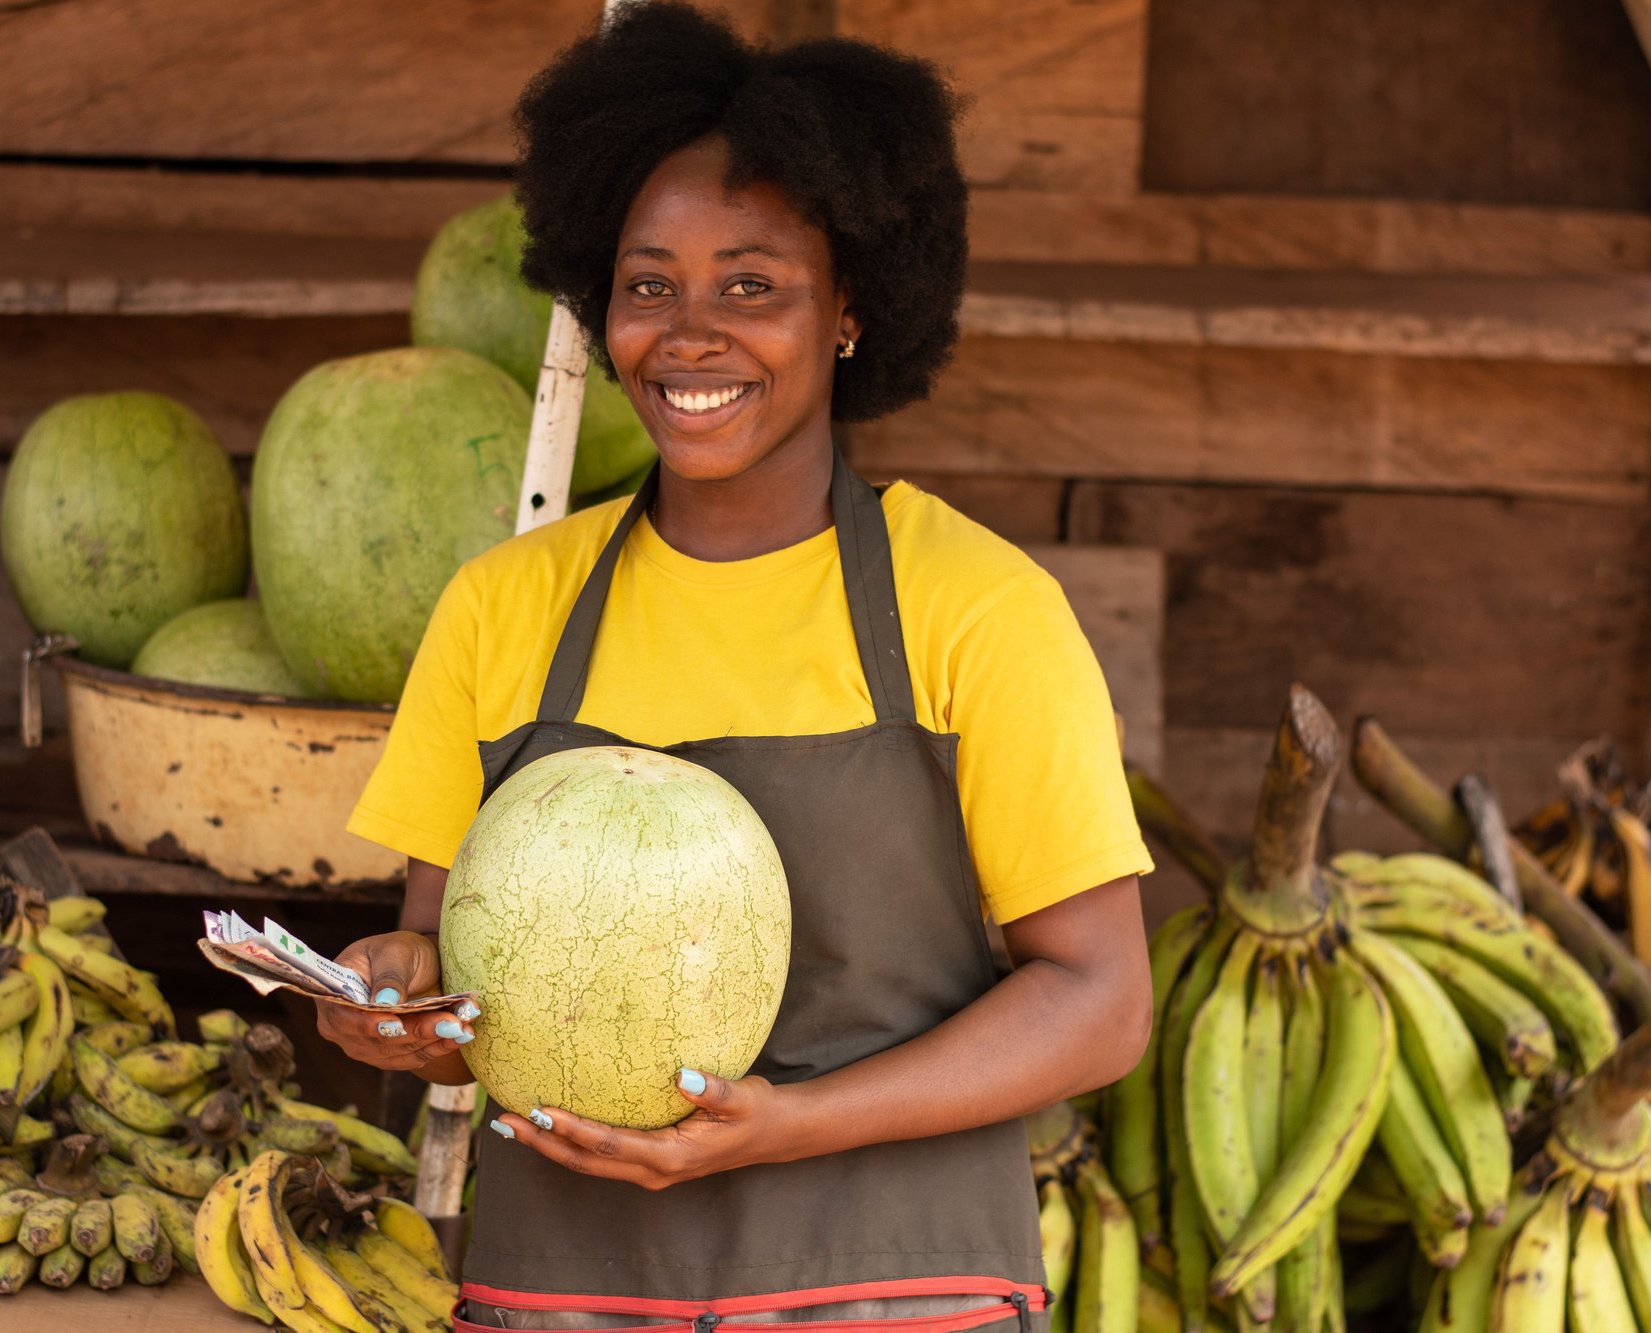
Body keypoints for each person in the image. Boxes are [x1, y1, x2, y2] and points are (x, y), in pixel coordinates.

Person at [320, 5, 1154, 1329]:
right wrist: (390, 996)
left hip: (903, 1292)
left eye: (751, 284)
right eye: (649, 284)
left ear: (850, 310)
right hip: (558, 1296)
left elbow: (1102, 1001)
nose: (689, 333)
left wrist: (790, 1123)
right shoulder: (502, 608)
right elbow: (438, 957)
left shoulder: (980, 610)